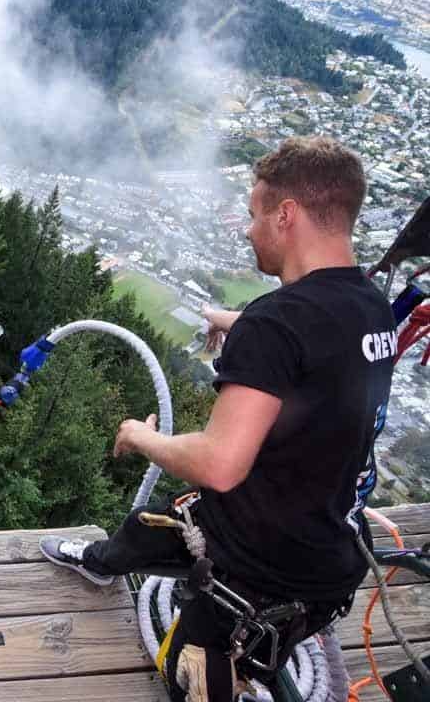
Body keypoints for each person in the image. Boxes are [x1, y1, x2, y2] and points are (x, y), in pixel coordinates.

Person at [39, 137, 395, 701]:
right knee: (146, 527)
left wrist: (144, 437)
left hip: (258, 570)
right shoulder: (373, 306)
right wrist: (235, 319)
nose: (248, 230)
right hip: (331, 562)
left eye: (254, 215)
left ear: (286, 215)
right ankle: (101, 561)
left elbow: (219, 465)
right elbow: (322, 354)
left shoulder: (276, 325)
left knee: (192, 677)